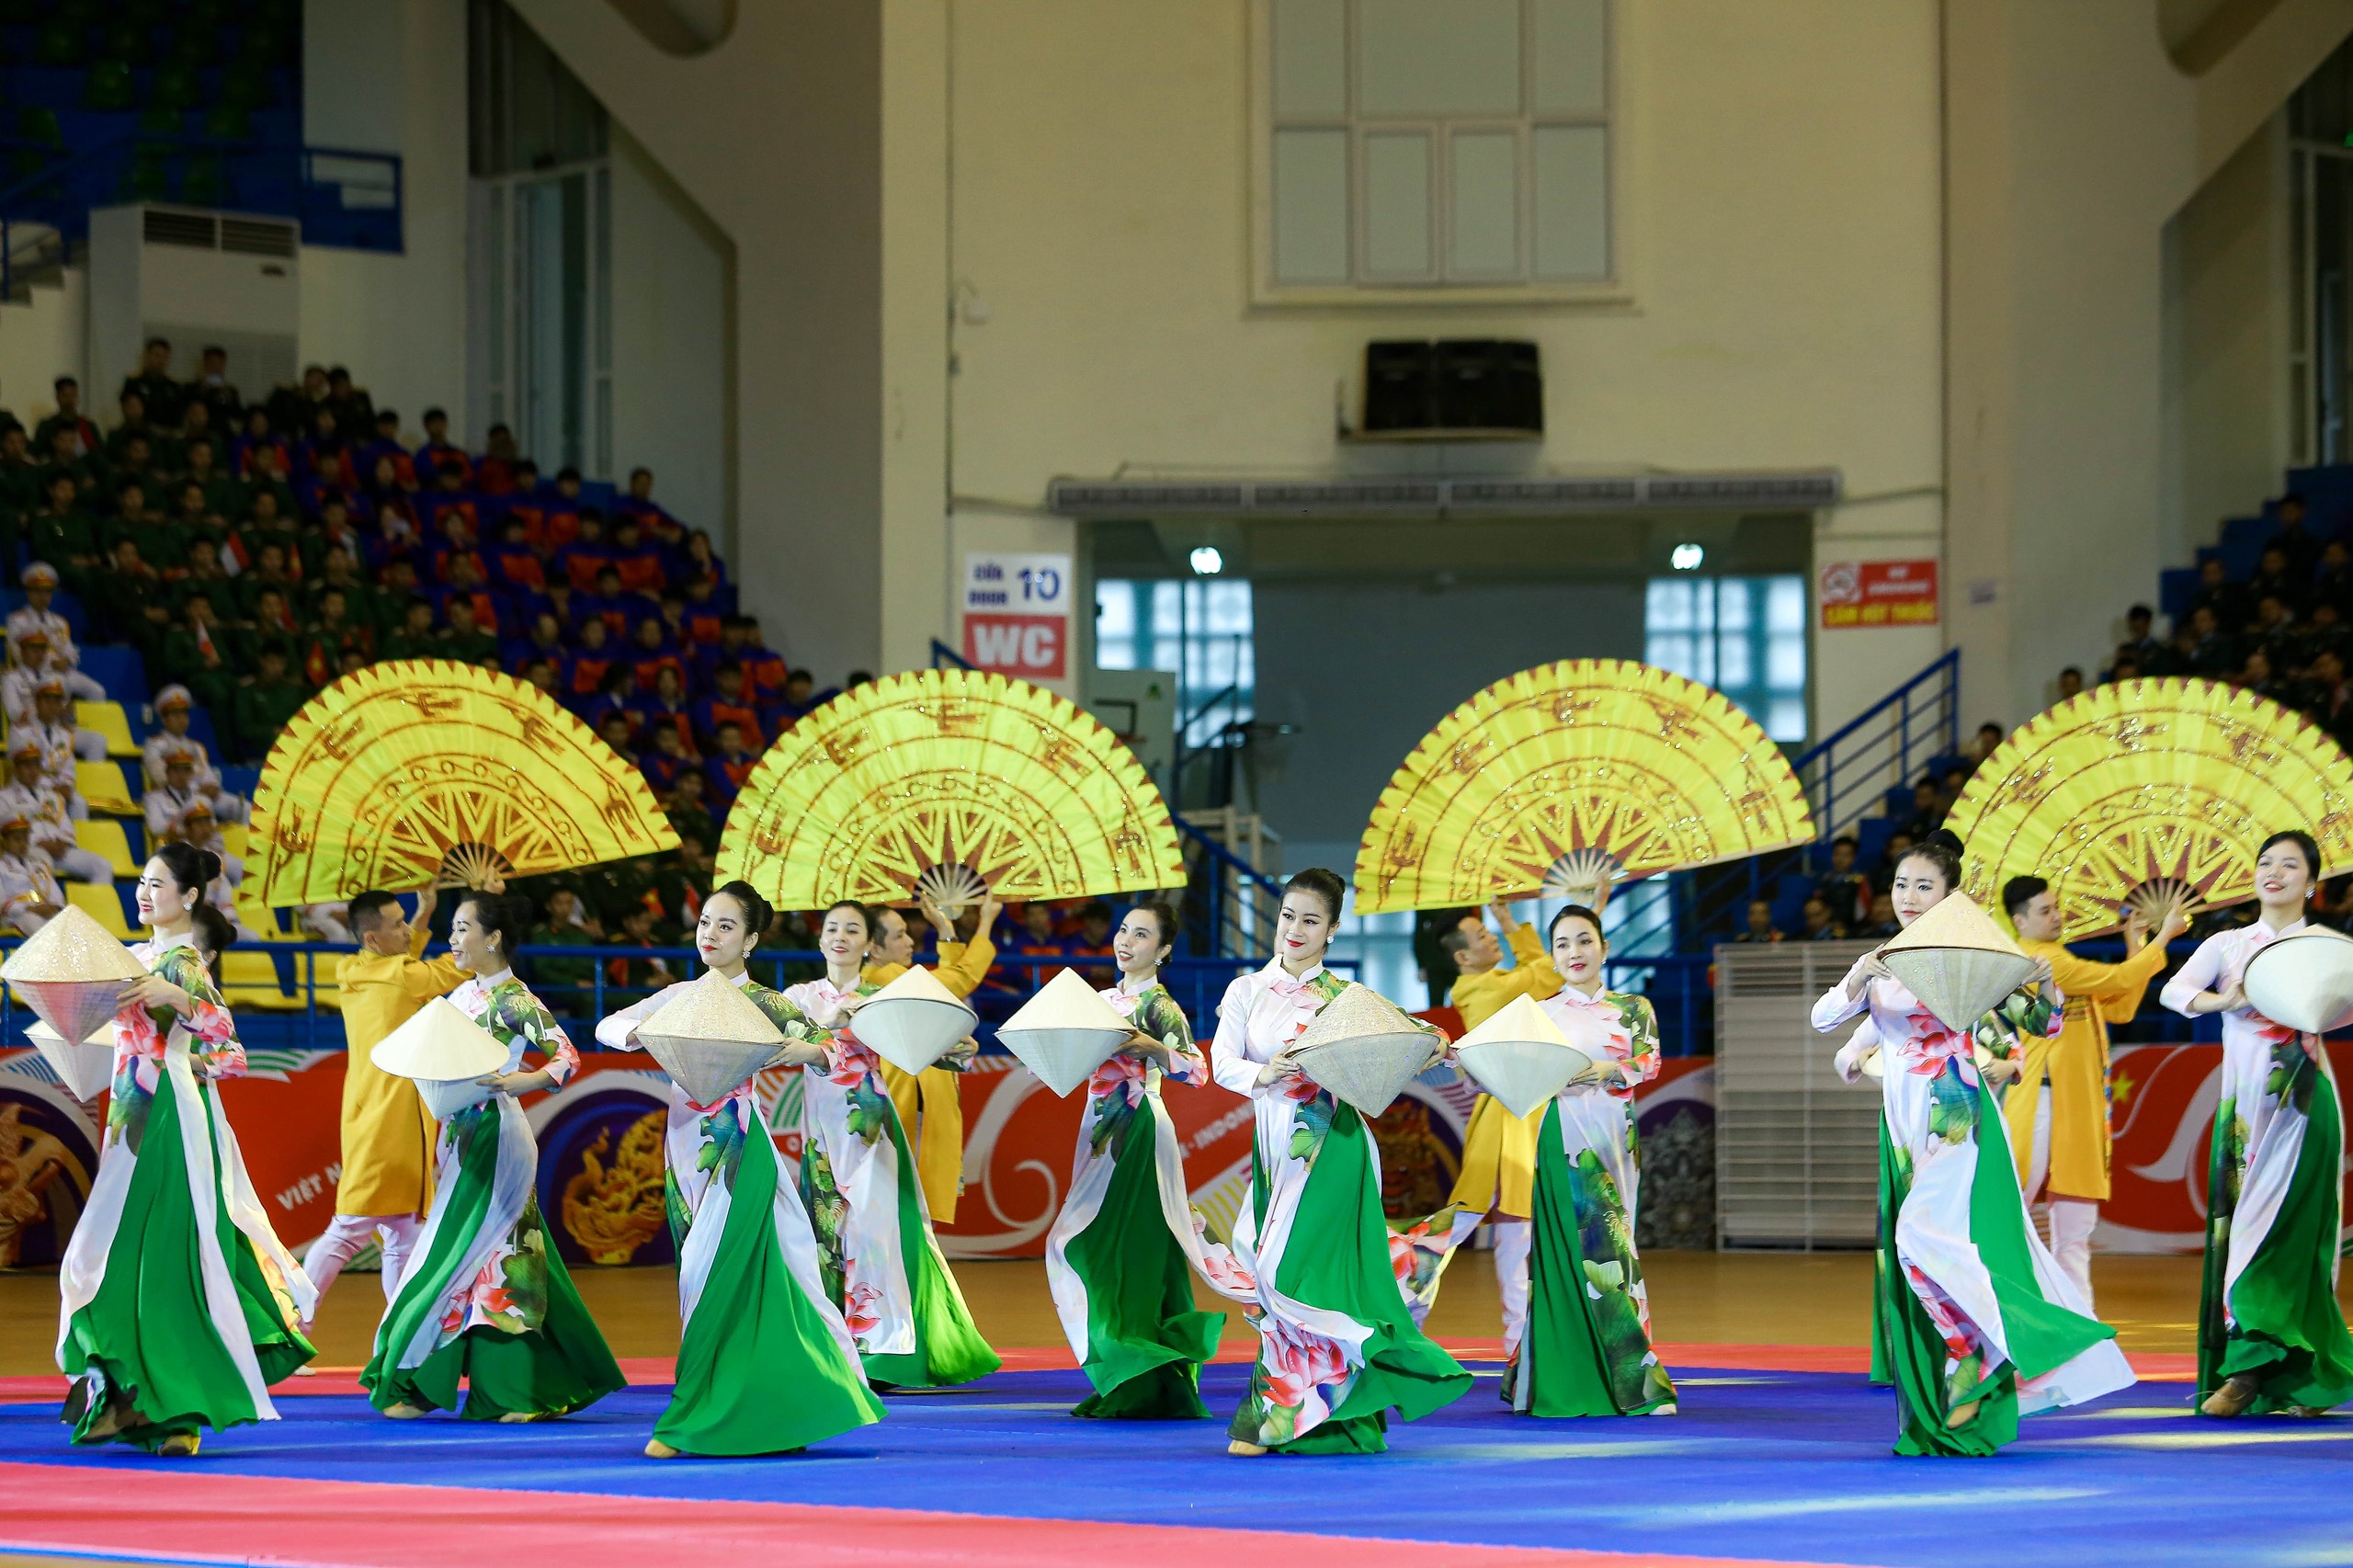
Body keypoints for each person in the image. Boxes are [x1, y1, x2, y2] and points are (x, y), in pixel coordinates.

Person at [1813, 834, 2131, 1455]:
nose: (1909, 895)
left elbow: (2044, 1025)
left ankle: (1978, 1361)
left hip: (1954, 1111)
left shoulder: (1974, 956)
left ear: (1950, 895)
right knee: (1922, 1252)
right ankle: (1960, 1375)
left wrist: (2047, 985)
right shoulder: (1883, 958)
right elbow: (1828, 1019)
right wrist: (1858, 986)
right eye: (1902, 883)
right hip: (1901, 1123)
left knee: (1920, 1240)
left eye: (1924, 885)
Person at [595, 881, 887, 1457]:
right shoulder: (680, 996)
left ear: (751, 940)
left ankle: (692, 1419)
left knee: (711, 1273)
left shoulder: (768, 1003)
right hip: (683, 1149)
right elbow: (608, 1027)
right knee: (705, 1276)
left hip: (738, 1148)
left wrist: (787, 1050)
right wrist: (635, 1033)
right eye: (705, 921)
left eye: (727, 926)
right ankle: (772, 1405)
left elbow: (829, 1053)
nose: (711, 933)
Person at [58, 844, 318, 1453]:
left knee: (161, 1259)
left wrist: (175, 1001)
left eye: (158, 884)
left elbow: (228, 1045)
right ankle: (123, 1391)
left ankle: (172, 1408)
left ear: (190, 896)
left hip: (170, 1115)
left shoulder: (181, 962)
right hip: (128, 1114)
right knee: (107, 1256)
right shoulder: (133, 957)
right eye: (141, 883)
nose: (144, 893)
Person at [1211, 868, 1469, 1455]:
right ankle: (1331, 1413)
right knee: (1272, 1266)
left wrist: (1433, 1043)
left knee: (1285, 1272)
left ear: (1331, 930)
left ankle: (1273, 1419)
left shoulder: (1346, 999)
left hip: (1334, 1147)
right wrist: (1266, 1073)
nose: (1295, 930)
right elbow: (1223, 1062)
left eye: (1310, 920)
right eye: (1288, 916)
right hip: (1275, 1146)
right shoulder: (1246, 991)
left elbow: (1404, 1045)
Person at [361, 892, 623, 1422]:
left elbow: (566, 1057)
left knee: (455, 1256)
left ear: (493, 938)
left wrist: (519, 1081)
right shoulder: (461, 998)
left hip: (496, 1139)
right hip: (461, 1136)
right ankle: (515, 1388)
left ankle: (423, 1380)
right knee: (501, 1263)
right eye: (453, 929)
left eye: (462, 929)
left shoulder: (513, 999)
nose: (453, 940)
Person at [2159, 830, 2353, 1418]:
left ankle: (2267, 1373)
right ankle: (2265, 1371)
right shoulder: (2228, 943)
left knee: (2293, 1241)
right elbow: (2173, 990)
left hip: (2301, 1107)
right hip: (2243, 1113)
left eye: (2290, 866)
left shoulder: (2326, 945)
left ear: (2312, 884)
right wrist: (2222, 1002)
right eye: (2266, 863)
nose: (2274, 873)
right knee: (2239, 1235)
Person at [1044, 900, 1255, 1418]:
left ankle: (1138, 1376)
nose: (1125, 941)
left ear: (1161, 951)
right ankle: (1133, 1368)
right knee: (1095, 1246)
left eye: (1141, 936)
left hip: (1138, 1130)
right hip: (1098, 1131)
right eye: (1122, 931)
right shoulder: (1096, 1000)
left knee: (1128, 1249)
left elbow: (1195, 1070)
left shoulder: (1159, 1007)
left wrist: (1147, 1046)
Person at [779, 901, 1000, 1389]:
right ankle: (835, 1346)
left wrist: (959, 1047)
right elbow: (774, 1038)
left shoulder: (886, 993)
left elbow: (932, 1049)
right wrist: (829, 1025)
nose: (840, 936)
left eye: (852, 929)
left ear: (868, 945)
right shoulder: (797, 996)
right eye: (832, 927)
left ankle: (885, 1353)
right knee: (827, 1238)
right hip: (820, 1136)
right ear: (819, 940)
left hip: (873, 1129)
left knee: (878, 1236)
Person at [1495, 904, 1677, 1415]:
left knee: (1619, 1243)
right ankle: (1630, 1379)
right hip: (1564, 1143)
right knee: (1596, 1252)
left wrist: (1605, 1068)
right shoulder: (1541, 1012)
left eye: (1584, 940)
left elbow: (1650, 1062)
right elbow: (1514, 1071)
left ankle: (1598, 1368)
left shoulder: (1633, 1007)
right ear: (1552, 957)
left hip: (1618, 1138)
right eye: (1562, 944)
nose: (1574, 952)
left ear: (1604, 947)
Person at [2000, 876, 2183, 1312]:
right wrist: (2163, 938)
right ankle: (2008, 1312)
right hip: (2042, 1099)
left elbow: (2119, 1005)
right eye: (2045, 911)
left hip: (2074, 1103)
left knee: (2074, 1224)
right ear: (2019, 920)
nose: (2057, 916)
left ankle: (2080, 1322)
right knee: (2015, 1209)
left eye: (2056, 907)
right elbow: (2120, 978)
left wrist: (2136, 944)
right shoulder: (2038, 959)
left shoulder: (2061, 962)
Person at [305, 888, 467, 1320]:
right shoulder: (402, 976)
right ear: (374, 939)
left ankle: (395, 1342)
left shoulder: (353, 967)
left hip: (370, 1112)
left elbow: (403, 963)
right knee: (348, 1230)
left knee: (402, 1233)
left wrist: (425, 911)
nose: (407, 930)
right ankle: (290, 1325)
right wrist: (477, 931)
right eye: (398, 924)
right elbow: (451, 971)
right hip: (392, 1122)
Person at [1439, 901, 1564, 1334]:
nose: (1492, 937)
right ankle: (1402, 1285)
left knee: (1513, 1224)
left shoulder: (1488, 983)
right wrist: (1515, 927)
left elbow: (1541, 974)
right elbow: (1549, 973)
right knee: (1467, 1219)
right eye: (1483, 935)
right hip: (1504, 1116)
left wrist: (1513, 929)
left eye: (1492, 931)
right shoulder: (1488, 988)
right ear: (1464, 957)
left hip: (1516, 1111)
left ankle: (1517, 1334)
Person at [859, 893, 1000, 1224]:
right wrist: (987, 921)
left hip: (910, 1101)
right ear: (874, 949)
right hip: (899, 1104)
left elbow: (947, 985)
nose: (910, 941)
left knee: (907, 1213)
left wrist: (947, 930)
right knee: (900, 1212)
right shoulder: (885, 978)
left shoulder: (900, 980)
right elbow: (961, 979)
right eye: (899, 935)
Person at [0, 812, 63, 934]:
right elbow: (1, 904)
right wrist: (30, 908)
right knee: (34, 923)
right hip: (16, 916)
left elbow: (56, 896)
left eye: (25, 839)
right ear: (5, 841)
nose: (22, 844)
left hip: (43, 911)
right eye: (17, 839)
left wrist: (54, 907)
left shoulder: (39, 866)